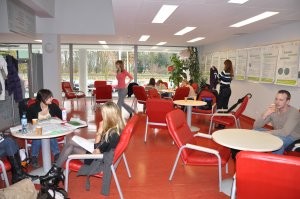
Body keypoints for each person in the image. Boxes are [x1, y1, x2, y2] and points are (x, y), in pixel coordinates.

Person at [40, 102, 124, 192]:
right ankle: (56, 172)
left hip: (96, 160)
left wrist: (99, 131)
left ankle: (55, 173)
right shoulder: (113, 129)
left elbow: (96, 151)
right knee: (70, 143)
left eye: (103, 113)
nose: (102, 115)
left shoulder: (112, 135)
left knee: (70, 146)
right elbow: (99, 146)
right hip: (97, 154)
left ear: (109, 116)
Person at [253, 90, 300, 154]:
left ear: (287, 102)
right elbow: (256, 126)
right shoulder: (273, 109)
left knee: (277, 143)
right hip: (279, 132)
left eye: (281, 100)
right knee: (255, 130)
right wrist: (266, 114)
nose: (277, 102)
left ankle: (275, 162)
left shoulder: (294, 113)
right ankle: (255, 154)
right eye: (276, 99)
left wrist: (267, 133)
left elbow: (285, 132)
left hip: (291, 136)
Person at [27, 89, 62, 168]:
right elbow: (28, 120)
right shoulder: (33, 107)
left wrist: (68, 120)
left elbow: (62, 116)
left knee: (51, 134)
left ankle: (57, 154)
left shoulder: (53, 106)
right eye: (49, 97)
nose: (52, 98)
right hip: (38, 128)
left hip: (50, 127)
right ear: (43, 98)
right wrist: (35, 123)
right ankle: (34, 156)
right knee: (38, 136)